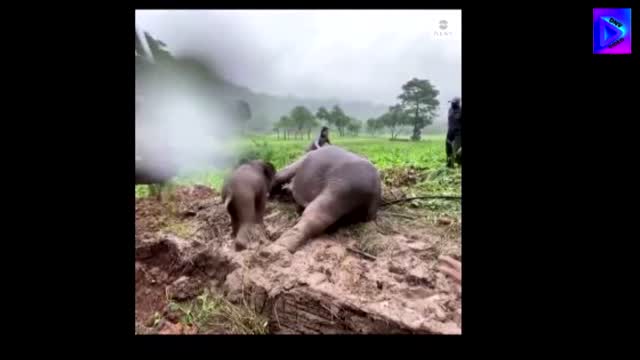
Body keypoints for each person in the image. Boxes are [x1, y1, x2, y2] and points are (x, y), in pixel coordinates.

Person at [446, 97, 462, 168]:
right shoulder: (450, 110)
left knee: (457, 152)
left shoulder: (461, 111)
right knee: (448, 150)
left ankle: (459, 166)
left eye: (453, 102)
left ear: (457, 103)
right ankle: (449, 164)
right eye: (451, 102)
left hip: (458, 133)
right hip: (450, 132)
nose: (452, 104)